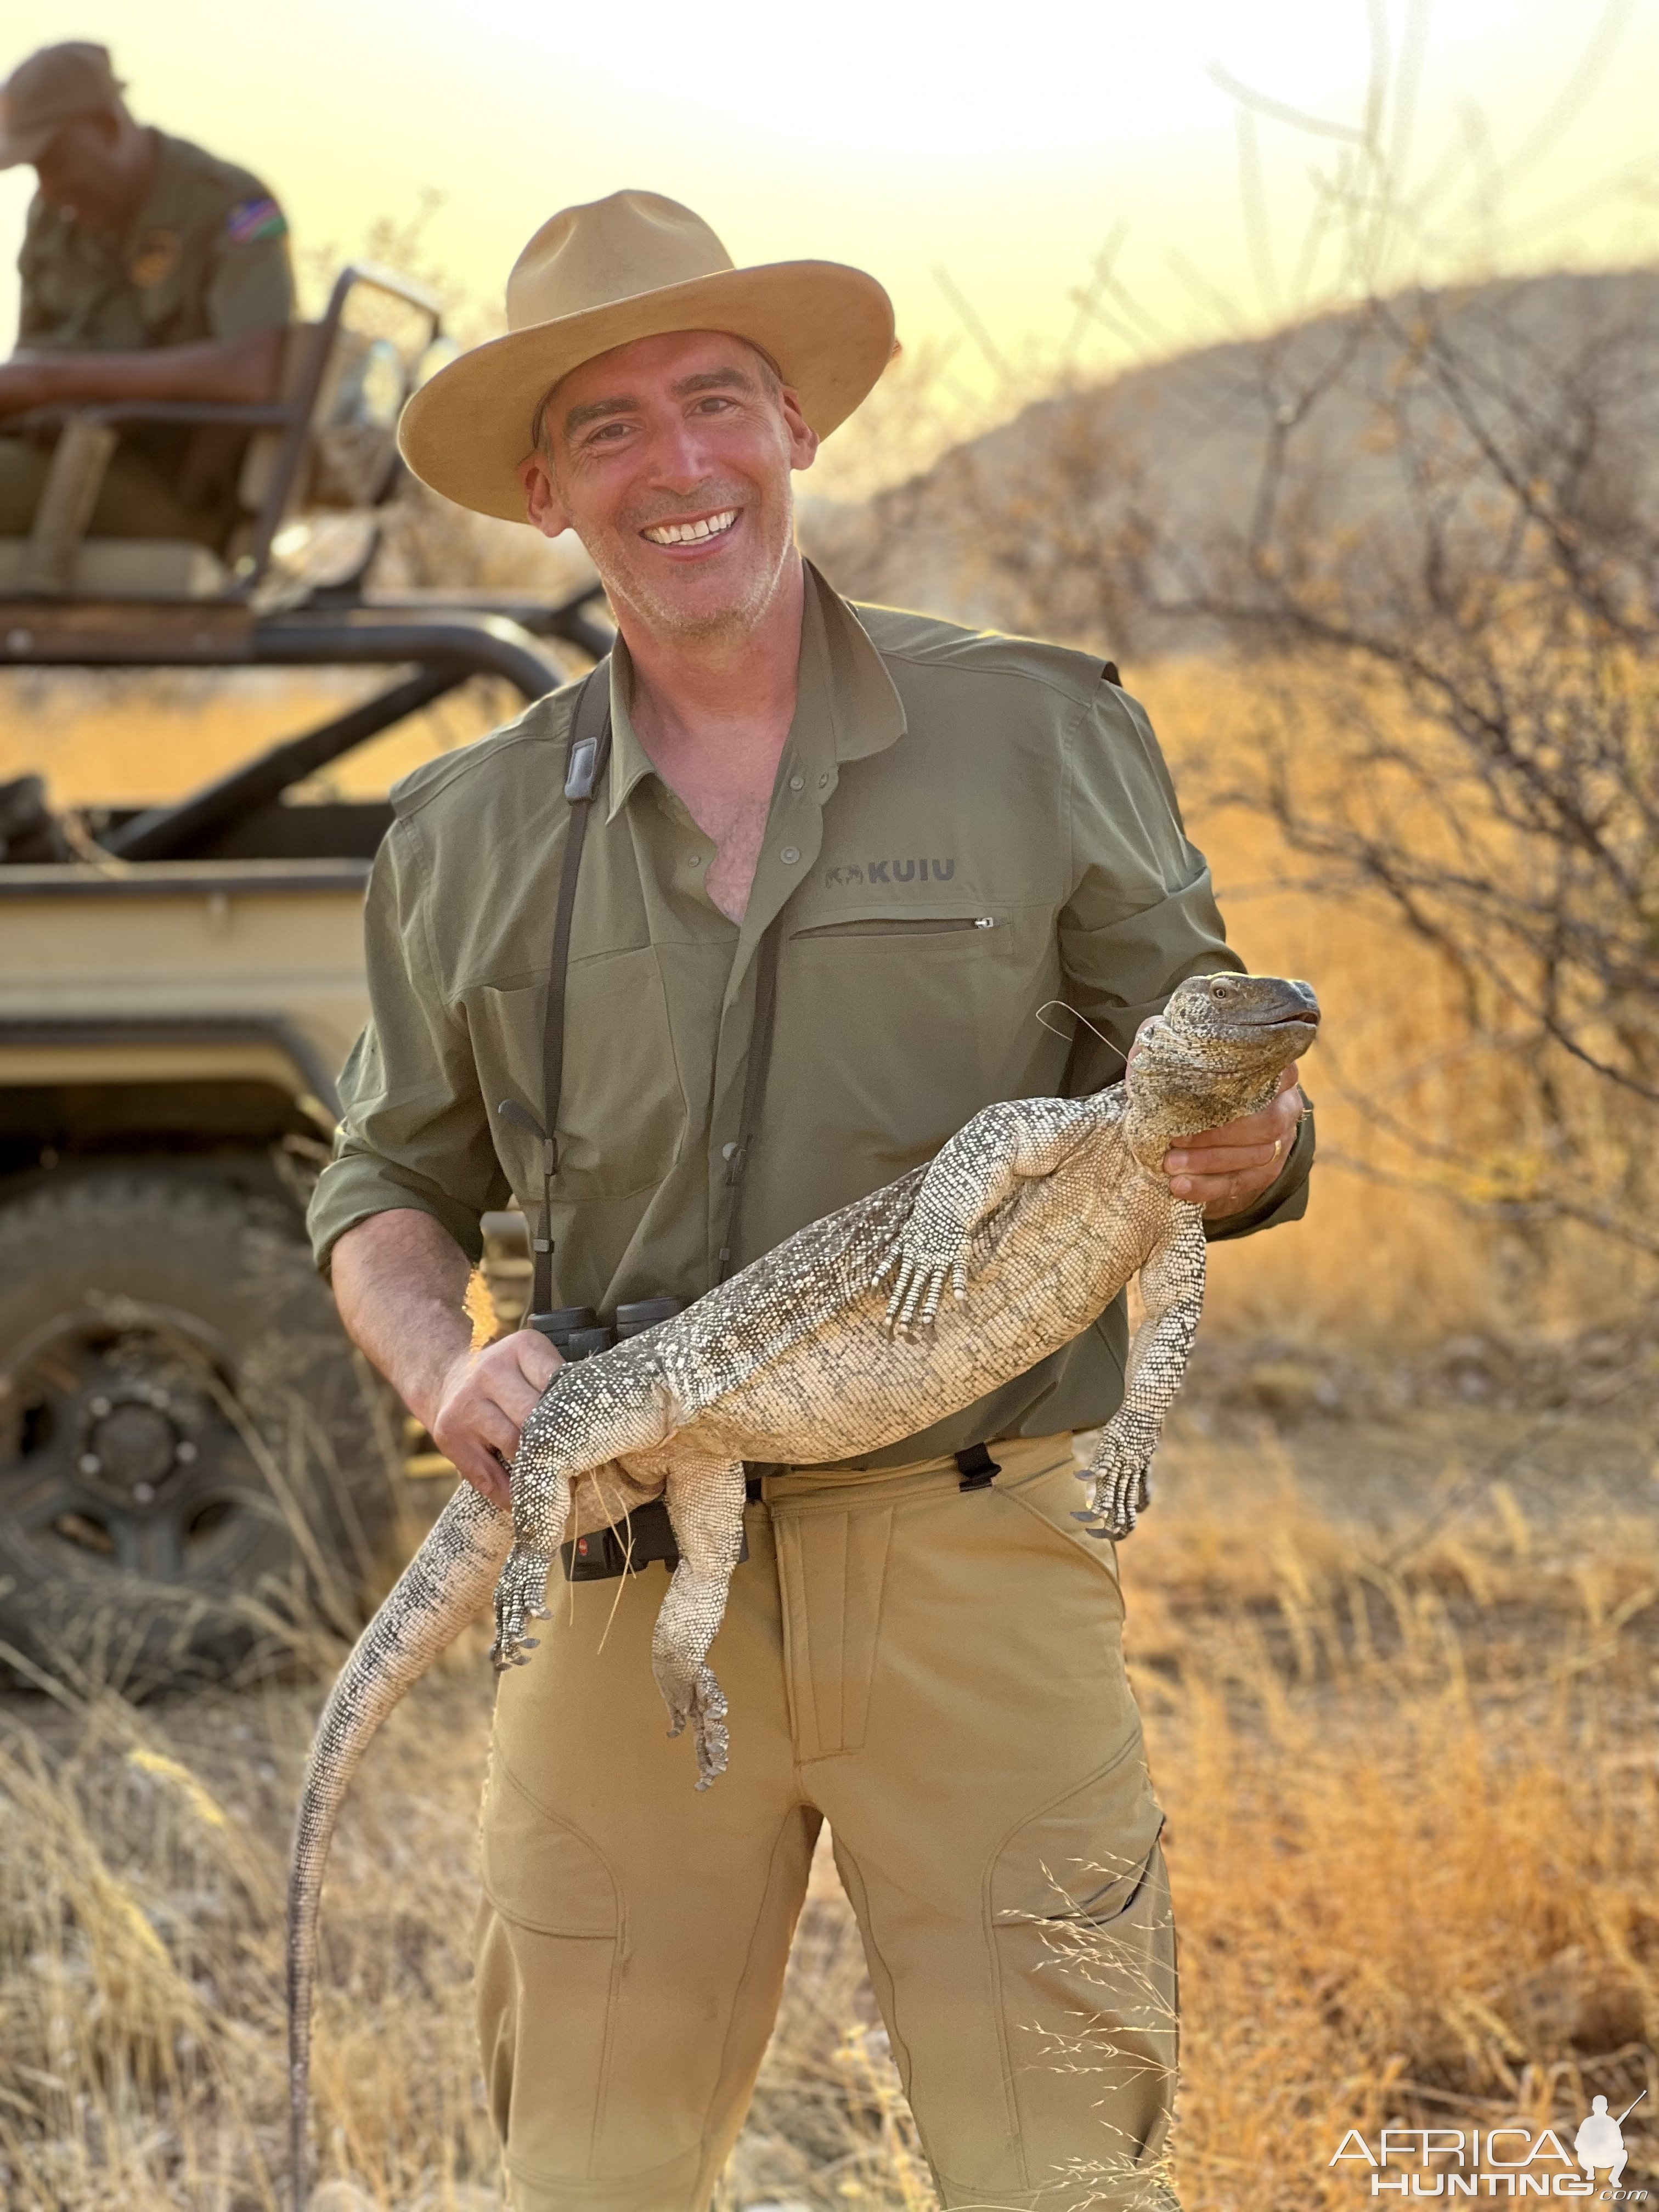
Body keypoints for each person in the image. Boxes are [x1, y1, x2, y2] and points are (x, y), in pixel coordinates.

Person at [308, 190, 1314, 2212]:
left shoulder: (1036, 733)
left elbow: (1204, 1071)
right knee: (582, 2173)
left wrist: (1256, 1150)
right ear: (542, 488)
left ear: (792, 428)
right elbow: (384, 1182)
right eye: (607, 427)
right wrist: (441, 1360)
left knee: (1062, 2174)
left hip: (974, 1566)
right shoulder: (463, 831)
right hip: (612, 1570)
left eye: (715, 401)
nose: (676, 466)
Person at [0, 40, 294, 546]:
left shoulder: (227, 204)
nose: (48, 188)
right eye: (36, 170)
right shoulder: (54, 219)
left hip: (170, 493)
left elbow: (258, 370)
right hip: (51, 458)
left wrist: (56, 382)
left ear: (110, 127)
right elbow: (27, 370)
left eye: (57, 160)